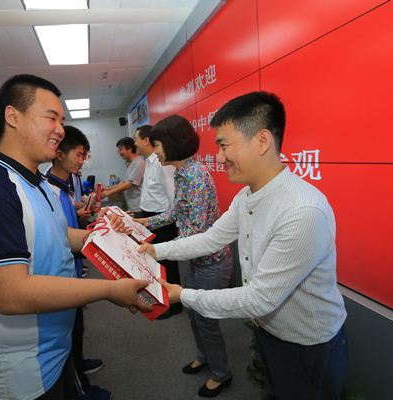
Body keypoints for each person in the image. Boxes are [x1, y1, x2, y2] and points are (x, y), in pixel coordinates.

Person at [0, 73, 153, 400]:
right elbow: (11, 294)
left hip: (54, 347)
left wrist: (106, 236)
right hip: (18, 371)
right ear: (13, 116)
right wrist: (110, 289)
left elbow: (59, 235)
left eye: (62, 121)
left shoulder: (37, 183)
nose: (60, 129)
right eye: (51, 117)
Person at [140, 92, 349, 400]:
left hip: (307, 346)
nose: (219, 158)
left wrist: (182, 295)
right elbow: (211, 238)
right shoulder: (247, 196)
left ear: (262, 141)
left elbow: (259, 299)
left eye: (224, 146)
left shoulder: (301, 211)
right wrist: (155, 251)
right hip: (272, 333)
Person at [135, 115, 233, 397]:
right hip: (196, 260)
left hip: (212, 262)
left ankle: (221, 374)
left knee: (206, 320)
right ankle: (204, 357)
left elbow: (197, 233)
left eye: (157, 145)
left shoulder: (195, 176)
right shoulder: (182, 172)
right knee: (193, 314)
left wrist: (159, 249)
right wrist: (147, 222)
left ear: (172, 144)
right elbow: (178, 212)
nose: (155, 151)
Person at [45, 125, 108, 400]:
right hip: (62, 272)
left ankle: (80, 366)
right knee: (68, 334)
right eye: (79, 155)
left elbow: (69, 228)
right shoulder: (49, 190)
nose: (82, 161)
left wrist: (89, 221)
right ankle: (80, 387)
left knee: (77, 327)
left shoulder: (64, 186)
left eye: (85, 156)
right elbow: (60, 239)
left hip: (72, 268)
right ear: (59, 154)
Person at [133, 124, 181, 320]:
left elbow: (172, 197)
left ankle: (174, 304)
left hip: (164, 219)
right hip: (151, 218)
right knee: (155, 261)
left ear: (146, 141)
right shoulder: (150, 163)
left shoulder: (163, 164)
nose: (135, 143)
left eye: (136, 139)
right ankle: (162, 298)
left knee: (167, 262)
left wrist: (177, 227)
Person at [100, 137, 145, 217]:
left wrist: (109, 193)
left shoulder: (139, 163)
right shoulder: (130, 163)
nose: (120, 152)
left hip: (138, 206)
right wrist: (109, 188)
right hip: (132, 205)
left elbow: (128, 184)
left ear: (129, 149)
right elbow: (124, 182)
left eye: (121, 149)